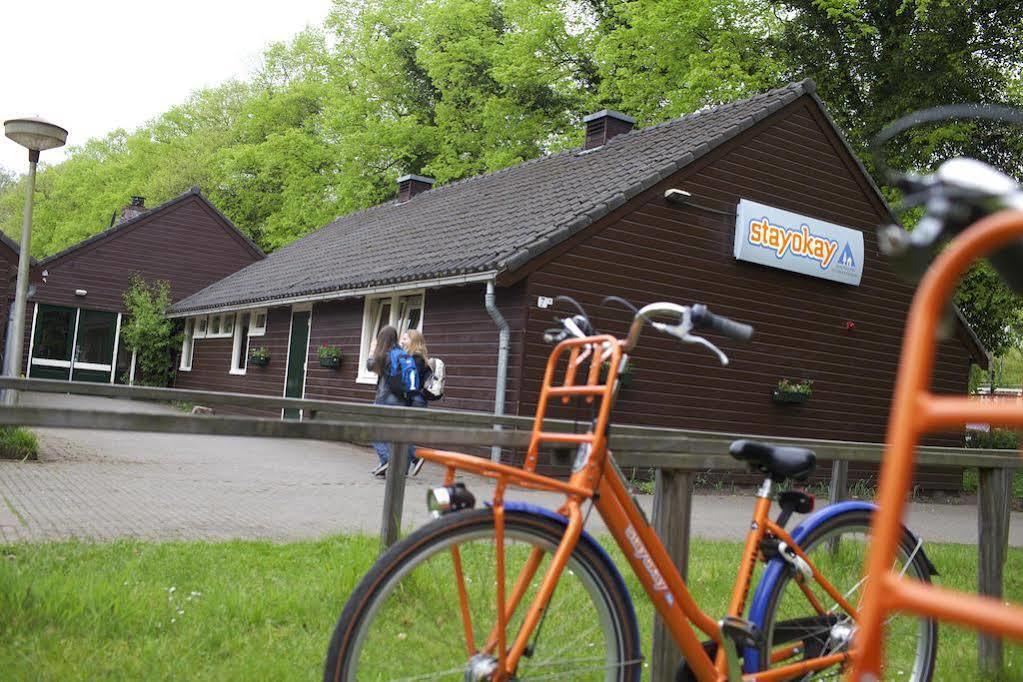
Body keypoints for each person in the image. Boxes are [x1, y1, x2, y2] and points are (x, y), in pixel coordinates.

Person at [367, 325, 402, 477]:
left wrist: (371, 350)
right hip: (400, 399)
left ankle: (388, 461)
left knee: (372, 429)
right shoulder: (401, 353)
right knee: (390, 432)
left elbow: (369, 366)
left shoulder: (382, 354)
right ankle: (384, 465)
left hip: (385, 397)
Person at [400, 329, 430, 477]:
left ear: (413, 341)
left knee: (404, 434)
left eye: (405, 338)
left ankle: (416, 457)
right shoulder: (420, 358)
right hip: (419, 400)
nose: (402, 341)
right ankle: (403, 470)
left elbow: (411, 383)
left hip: (415, 400)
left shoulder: (416, 359)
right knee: (406, 434)